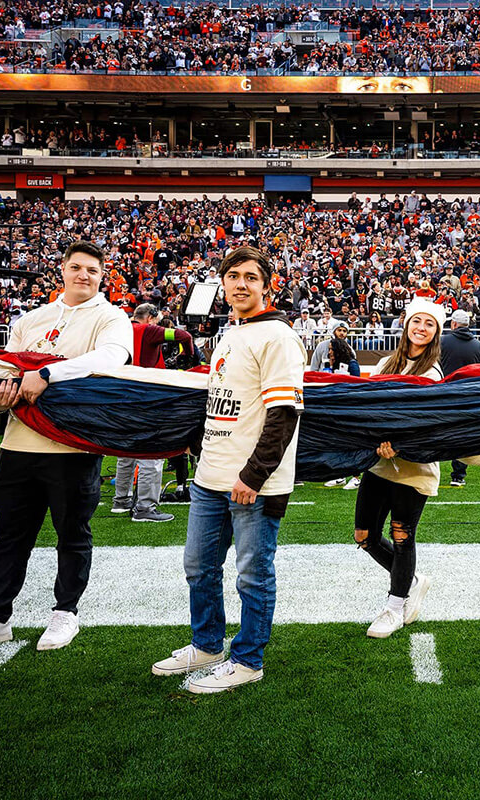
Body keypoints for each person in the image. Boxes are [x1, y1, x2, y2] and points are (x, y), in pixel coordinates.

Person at [152, 246, 307, 693]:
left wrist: (252, 477)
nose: (241, 284)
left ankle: (248, 659)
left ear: (266, 285)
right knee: (199, 567)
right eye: (233, 276)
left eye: (251, 278)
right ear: (222, 283)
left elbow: (284, 415)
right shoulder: (232, 332)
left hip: (250, 483)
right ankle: (206, 645)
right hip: (210, 475)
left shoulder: (277, 335)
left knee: (253, 574)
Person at [0, 241, 132, 651]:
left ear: (103, 276)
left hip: (73, 448)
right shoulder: (32, 319)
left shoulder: (111, 317)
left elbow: (111, 357)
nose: (83, 275)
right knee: (9, 536)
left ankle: (65, 613)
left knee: (71, 534)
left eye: (92, 270)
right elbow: (5, 368)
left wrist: (47, 372)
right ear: (62, 270)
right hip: (18, 445)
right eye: (76, 268)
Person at [354, 298, 443, 639]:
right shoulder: (383, 365)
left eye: (429, 324)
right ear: (406, 324)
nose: (421, 328)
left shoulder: (432, 372)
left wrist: (399, 443)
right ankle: (411, 579)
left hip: (412, 467)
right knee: (364, 537)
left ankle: (394, 606)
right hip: (378, 465)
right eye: (417, 321)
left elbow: (424, 422)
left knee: (402, 535)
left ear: (436, 333)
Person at [112, 303, 193, 523]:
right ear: (150, 318)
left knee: (126, 453)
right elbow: (183, 335)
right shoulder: (150, 330)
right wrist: (188, 356)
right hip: (148, 397)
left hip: (122, 396)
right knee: (152, 453)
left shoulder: (120, 329)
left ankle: (121, 500)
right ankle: (145, 506)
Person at [439, 309, 480, 487]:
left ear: (453, 324)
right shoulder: (478, 345)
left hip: (444, 395)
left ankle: (429, 468)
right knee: (463, 435)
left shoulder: (442, 342)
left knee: (437, 432)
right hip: (468, 397)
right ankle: (458, 476)